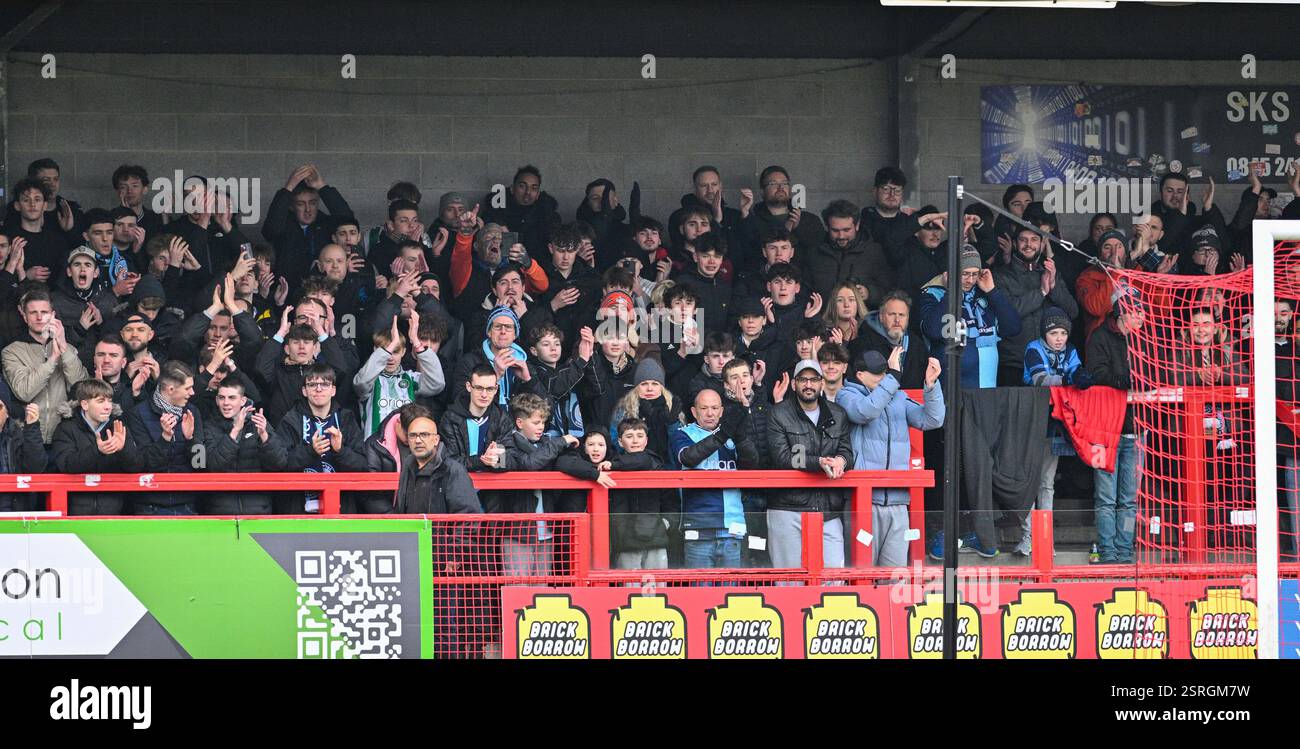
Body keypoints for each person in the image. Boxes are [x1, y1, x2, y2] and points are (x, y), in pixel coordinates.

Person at [836, 349, 944, 567]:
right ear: (859, 374)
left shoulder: (898, 397)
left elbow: (932, 420)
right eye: (877, 373)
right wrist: (893, 378)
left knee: (896, 576)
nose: (883, 377)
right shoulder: (847, 395)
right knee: (861, 571)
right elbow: (864, 412)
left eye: (885, 372)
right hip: (863, 502)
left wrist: (931, 387)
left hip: (898, 501)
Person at [765, 358, 855, 569]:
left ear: (822, 383)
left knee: (834, 578)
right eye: (803, 380)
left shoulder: (838, 413)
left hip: (828, 509)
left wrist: (842, 460)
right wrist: (819, 462)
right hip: (787, 507)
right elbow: (783, 458)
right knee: (789, 581)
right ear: (794, 384)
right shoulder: (779, 413)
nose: (808, 385)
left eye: (814, 379)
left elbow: (847, 452)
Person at [1019, 309, 1091, 557]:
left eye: (1063, 333)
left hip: (1055, 425)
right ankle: (1027, 538)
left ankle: (1044, 540)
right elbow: (1039, 379)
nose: (1059, 338)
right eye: (1053, 333)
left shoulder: (1070, 350)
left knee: (1046, 484)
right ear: (1044, 334)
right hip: (1029, 423)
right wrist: (1070, 379)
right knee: (1029, 483)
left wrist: (1080, 376)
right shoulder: (1033, 348)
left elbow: (1076, 371)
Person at [496, 393, 582, 576]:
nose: (541, 427)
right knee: (517, 588)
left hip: (547, 530)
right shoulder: (506, 444)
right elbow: (529, 464)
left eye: (543, 422)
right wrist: (561, 441)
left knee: (541, 590)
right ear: (519, 423)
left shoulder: (546, 443)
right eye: (536, 423)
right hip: (517, 533)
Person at [1086, 295, 1144, 565]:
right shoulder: (1099, 337)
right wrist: (1128, 382)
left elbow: (1159, 374)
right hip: (1104, 431)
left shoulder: (1146, 340)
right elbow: (1096, 374)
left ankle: (1125, 550)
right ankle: (1108, 552)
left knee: (1130, 500)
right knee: (1106, 498)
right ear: (1122, 314)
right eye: (1137, 313)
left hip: (1137, 429)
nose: (1141, 318)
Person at [672, 388, 759, 568]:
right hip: (698, 525)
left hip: (732, 526)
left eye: (714, 408)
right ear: (694, 412)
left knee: (732, 593)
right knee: (701, 592)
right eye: (704, 408)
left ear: (721, 411)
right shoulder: (683, 434)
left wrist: (740, 434)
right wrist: (724, 432)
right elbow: (688, 458)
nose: (710, 413)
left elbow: (751, 465)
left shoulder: (731, 434)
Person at [919, 245, 1022, 389]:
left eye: (975, 274)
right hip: (950, 392)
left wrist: (992, 292)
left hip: (986, 389)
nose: (970, 280)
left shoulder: (985, 294)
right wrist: (951, 293)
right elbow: (934, 331)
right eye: (965, 274)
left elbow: (1013, 328)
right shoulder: (933, 294)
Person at [991, 224, 1080, 386]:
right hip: (1013, 362)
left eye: (1034, 240)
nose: (1028, 244)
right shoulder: (1000, 275)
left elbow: (1072, 312)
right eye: (1023, 240)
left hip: (1051, 366)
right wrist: (1041, 292)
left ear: (1042, 244)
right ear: (1015, 244)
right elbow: (1008, 313)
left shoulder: (1051, 274)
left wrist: (1053, 287)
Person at [277, 364, 367, 513]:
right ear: (304, 391)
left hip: (341, 508)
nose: (319, 389)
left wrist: (340, 450)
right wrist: (310, 451)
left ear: (333, 390)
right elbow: (280, 464)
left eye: (325, 384)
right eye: (312, 385)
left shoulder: (346, 419)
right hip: (299, 509)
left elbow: (363, 465)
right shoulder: (291, 420)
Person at [3, 287, 89, 443]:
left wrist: (63, 347)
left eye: (44, 312)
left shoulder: (67, 348)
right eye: (33, 312)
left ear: (53, 315)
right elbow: (24, 392)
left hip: (63, 436)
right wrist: (52, 359)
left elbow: (81, 388)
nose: (39, 317)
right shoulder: (11, 351)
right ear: (25, 317)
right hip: (28, 436)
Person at [50, 378, 142, 515]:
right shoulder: (66, 428)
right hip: (75, 513)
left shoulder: (118, 427)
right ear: (85, 404)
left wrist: (124, 450)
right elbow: (66, 464)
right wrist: (97, 451)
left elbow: (136, 467)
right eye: (101, 401)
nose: (108, 406)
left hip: (114, 513)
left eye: (110, 401)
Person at [127, 360, 204, 515]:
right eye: (187, 388)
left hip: (186, 503)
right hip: (149, 504)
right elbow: (140, 464)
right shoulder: (138, 414)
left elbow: (200, 464)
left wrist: (191, 440)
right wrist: (165, 438)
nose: (192, 393)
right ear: (170, 389)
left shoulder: (192, 412)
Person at [261, 164, 354, 292]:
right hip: (287, 294)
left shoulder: (326, 223)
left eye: (313, 203)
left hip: (324, 293)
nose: (308, 210)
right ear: (291, 206)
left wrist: (321, 186)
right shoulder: (284, 225)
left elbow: (347, 219)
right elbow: (270, 230)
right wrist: (288, 188)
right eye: (301, 204)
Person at [201, 381, 288, 514]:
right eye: (221, 397)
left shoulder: (258, 423)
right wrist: (235, 431)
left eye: (232, 398)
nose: (226, 403)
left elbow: (280, 463)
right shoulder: (209, 426)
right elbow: (212, 465)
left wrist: (264, 436)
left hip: (258, 508)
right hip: (220, 509)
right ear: (216, 400)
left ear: (243, 400)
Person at [353, 312, 445, 437]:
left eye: (395, 351)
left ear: (404, 352)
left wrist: (417, 343)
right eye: (386, 352)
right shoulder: (371, 379)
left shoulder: (410, 378)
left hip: (406, 449)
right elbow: (360, 383)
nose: (390, 357)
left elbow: (437, 384)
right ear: (376, 352)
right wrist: (389, 348)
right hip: (375, 450)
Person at [806, 200, 893, 304]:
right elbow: (804, 289)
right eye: (835, 231)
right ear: (827, 227)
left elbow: (888, 290)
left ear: (857, 226)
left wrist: (869, 293)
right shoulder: (814, 253)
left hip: (860, 318)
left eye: (846, 230)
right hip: (821, 317)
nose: (841, 236)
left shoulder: (873, 252)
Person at [394, 416, 481, 514]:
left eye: (424, 435)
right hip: (410, 529)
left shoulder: (453, 470)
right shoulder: (408, 466)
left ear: (436, 439)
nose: (418, 440)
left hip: (441, 529)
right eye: (413, 435)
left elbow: (468, 518)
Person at [0, 400, 46, 512]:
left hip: (16, 507)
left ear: (7, 413)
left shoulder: (17, 435)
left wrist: (32, 427)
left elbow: (36, 468)